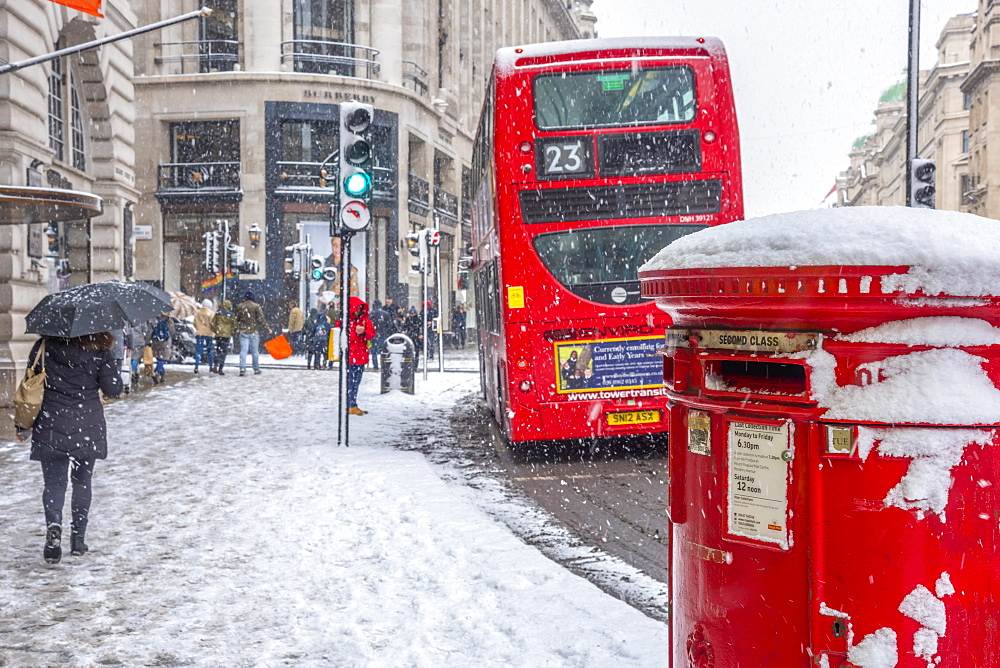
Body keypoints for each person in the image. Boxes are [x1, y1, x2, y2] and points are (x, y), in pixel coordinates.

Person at [18, 332, 123, 563]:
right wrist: (111, 363)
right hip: (87, 424)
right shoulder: (100, 348)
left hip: (51, 422)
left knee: (54, 483)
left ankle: (54, 524)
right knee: (82, 482)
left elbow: (30, 384)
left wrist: (22, 424)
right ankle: (78, 540)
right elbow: (113, 390)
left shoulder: (44, 346)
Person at [336, 297, 375, 415]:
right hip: (350, 356)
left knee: (356, 382)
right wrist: (355, 332)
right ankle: (350, 404)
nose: (359, 310)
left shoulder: (365, 320)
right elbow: (340, 337)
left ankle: (352, 404)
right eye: (357, 307)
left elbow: (372, 334)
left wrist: (364, 332)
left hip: (361, 356)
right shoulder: (344, 322)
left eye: (360, 308)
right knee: (350, 382)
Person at [317, 236, 359, 313]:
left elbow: (354, 294)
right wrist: (322, 297)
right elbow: (320, 288)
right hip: (323, 309)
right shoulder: (323, 266)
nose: (337, 248)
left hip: (340, 311)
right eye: (334, 245)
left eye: (340, 245)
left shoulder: (351, 270)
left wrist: (339, 300)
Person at [234, 291, 270, 376]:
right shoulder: (256, 306)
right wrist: (267, 329)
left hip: (243, 331)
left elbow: (236, 319)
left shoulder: (240, 306)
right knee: (255, 352)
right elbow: (261, 319)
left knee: (243, 351)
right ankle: (256, 369)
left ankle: (242, 369)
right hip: (254, 331)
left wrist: (236, 329)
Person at [369, 299, 394, 371]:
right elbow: (389, 324)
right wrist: (385, 330)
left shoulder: (371, 314)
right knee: (384, 351)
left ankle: (375, 366)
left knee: (374, 352)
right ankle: (384, 365)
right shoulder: (385, 314)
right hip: (383, 334)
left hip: (374, 335)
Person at [211, 299, 235, 375]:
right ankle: (221, 368)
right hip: (227, 336)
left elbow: (212, 323)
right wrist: (232, 332)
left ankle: (215, 365)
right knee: (224, 352)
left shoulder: (218, 314)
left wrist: (216, 330)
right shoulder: (231, 315)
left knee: (218, 350)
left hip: (218, 335)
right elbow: (234, 325)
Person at [192, 298, 216, 374]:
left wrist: (199, 328)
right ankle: (211, 366)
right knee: (210, 350)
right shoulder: (211, 313)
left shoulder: (197, 312)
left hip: (199, 333)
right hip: (209, 333)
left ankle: (196, 366)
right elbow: (213, 324)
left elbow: (194, 323)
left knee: (199, 351)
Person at [150, 313, 173, 384]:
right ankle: (157, 370)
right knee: (163, 358)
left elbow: (150, 329)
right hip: (165, 341)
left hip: (156, 340)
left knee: (159, 357)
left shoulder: (154, 318)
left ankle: (162, 373)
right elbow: (172, 331)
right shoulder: (169, 320)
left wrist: (149, 339)